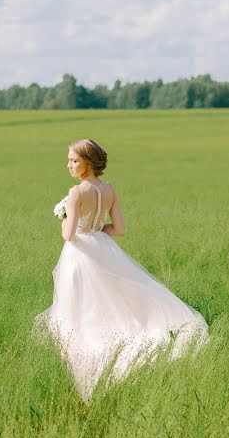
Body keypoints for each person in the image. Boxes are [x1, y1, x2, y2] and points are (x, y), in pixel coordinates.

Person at [35, 139, 209, 401]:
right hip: (104, 249)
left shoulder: (76, 193)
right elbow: (119, 229)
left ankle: (87, 360)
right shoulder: (110, 190)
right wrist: (97, 230)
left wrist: (65, 219)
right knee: (113, 301)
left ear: (88, 163)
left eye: (74, 160)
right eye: (69, 160)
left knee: (81, 309)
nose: (69, 165)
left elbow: (69, 235)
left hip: (80, 253)